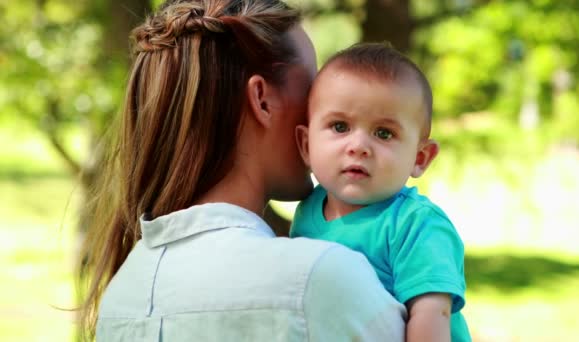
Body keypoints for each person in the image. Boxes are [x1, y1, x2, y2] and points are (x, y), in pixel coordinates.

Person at [79, 1, 407, 341]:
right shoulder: (319, 279)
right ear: (262, 101)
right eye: (313, 92)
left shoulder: (122, 293)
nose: (321, 118)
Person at [290, 43, 471, 342]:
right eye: (339, 126)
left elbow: (431, 316)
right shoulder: (308, 211)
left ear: (419, 157)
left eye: (384, 133)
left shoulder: (416, 225)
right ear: (307, 145)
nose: (359, 145)